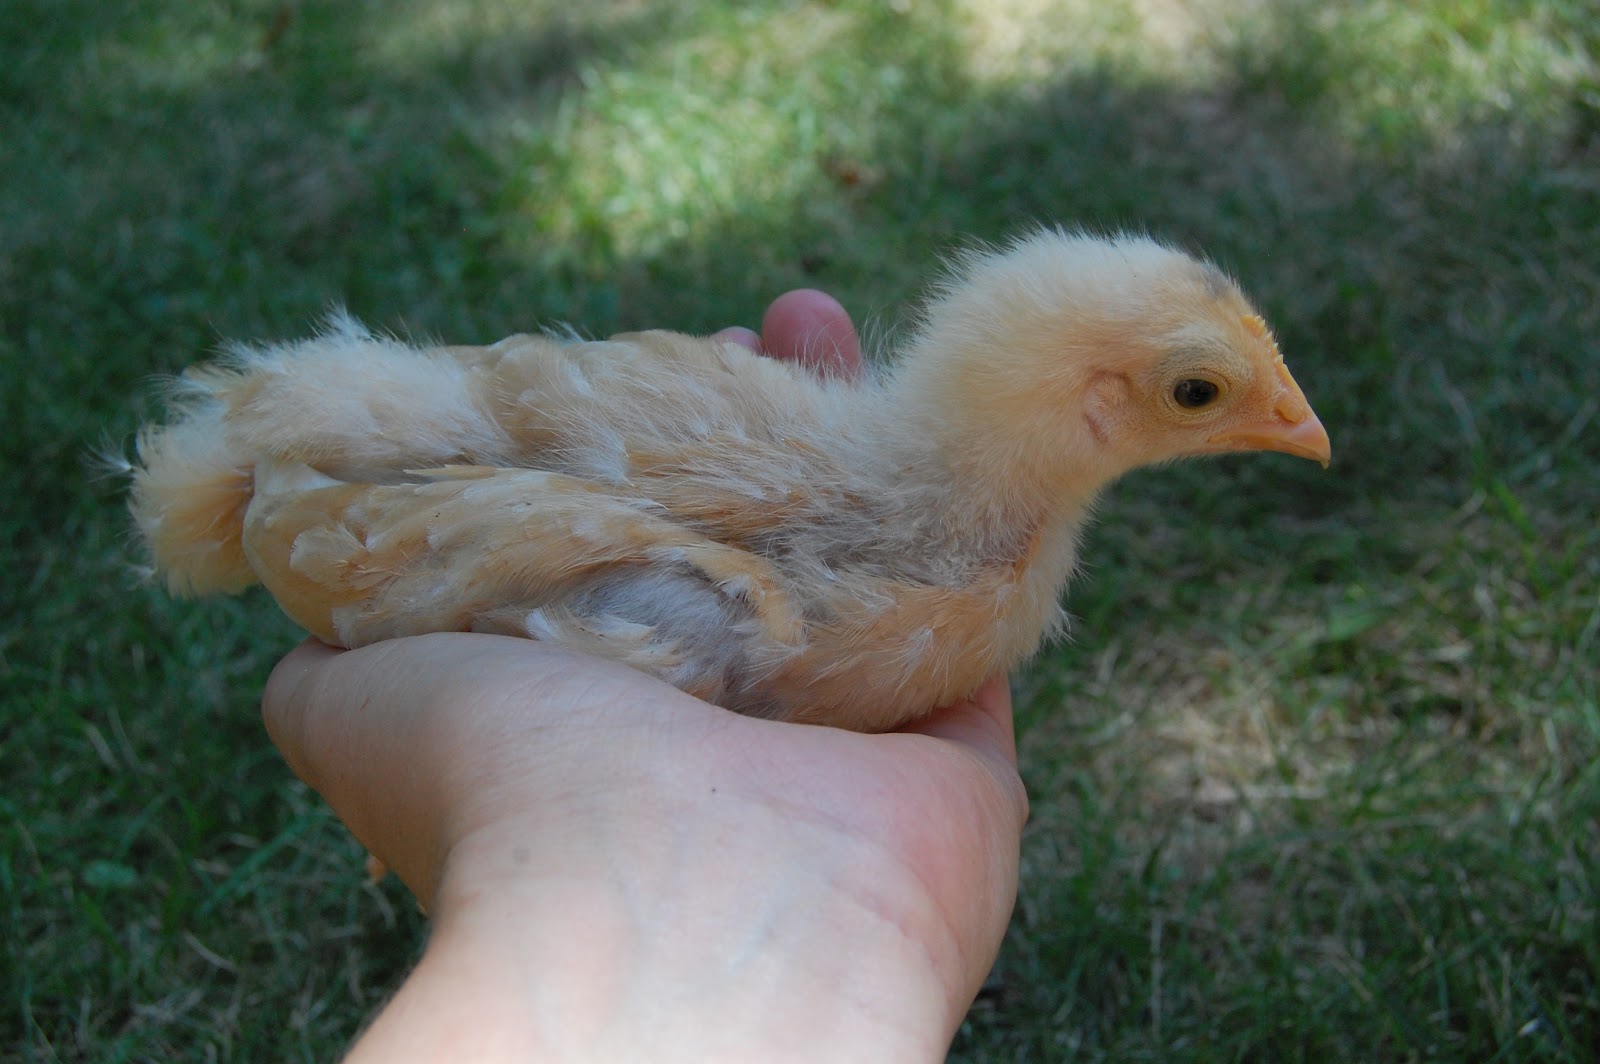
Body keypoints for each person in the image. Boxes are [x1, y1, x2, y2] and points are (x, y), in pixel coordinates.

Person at [262, 290, 1029, 1062]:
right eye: (1164, 396)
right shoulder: (709, 617)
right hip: (365, 472)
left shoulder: (943, 578)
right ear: (1097, 406)